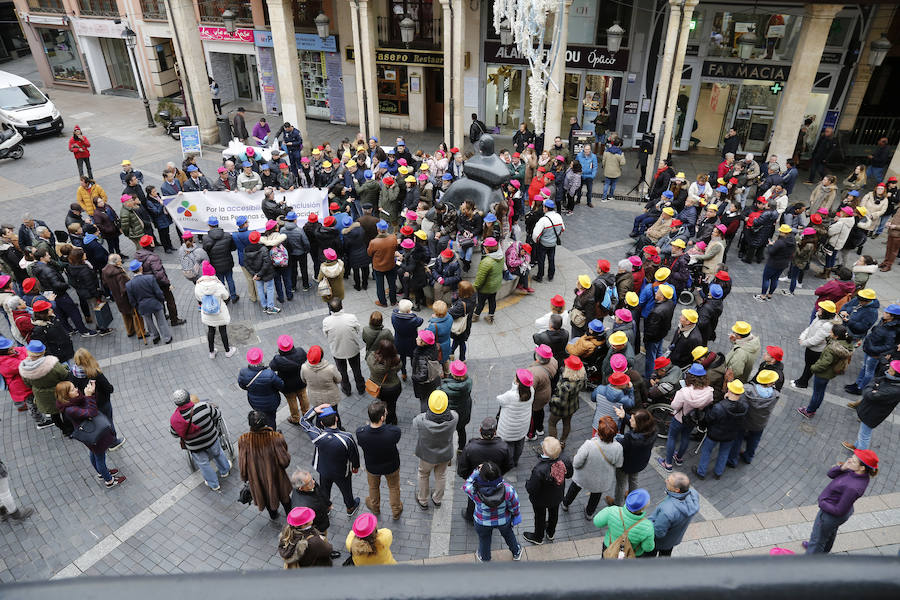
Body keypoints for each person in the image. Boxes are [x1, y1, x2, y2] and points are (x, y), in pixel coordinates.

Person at [804, 449, 878, 554]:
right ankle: (819, 549)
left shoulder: (853, 487)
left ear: (862, 467)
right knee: (828, 535)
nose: (849, 459)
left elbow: (839, 511)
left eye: (853, 460)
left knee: (818, 538)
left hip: (830, 515)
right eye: (852, 457)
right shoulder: (856, 472)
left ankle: (812, 556)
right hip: (835, 513)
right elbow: (830, 474)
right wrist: (843, 468)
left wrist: (822, 502)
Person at [56, 380, 126, 488]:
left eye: (74, 387)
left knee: (94, 453)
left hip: (90, 432)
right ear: (66, 395)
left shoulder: (73, 400)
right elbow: (91, 412)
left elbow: (88, 404)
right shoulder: (69, 409)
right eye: (73, 389)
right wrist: (88, 396)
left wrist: (90, 393)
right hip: (91, 433)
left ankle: (101, 473)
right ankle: (109, 480)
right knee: (99, 456)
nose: (76, 390)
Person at [299, 404, 361, 516]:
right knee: (346, 490)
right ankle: (350, 507)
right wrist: (355, 466)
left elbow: (303, 421)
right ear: (336, 418)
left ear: (321, 423)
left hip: (323, 469)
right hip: (341, 472)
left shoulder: (317, 435)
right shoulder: (347, 437)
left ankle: (326, 507)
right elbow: (354, 454)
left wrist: (314, 410)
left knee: (324, 490)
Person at [169, 389, 230, 491]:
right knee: (218, 454)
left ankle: (214, 484)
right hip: (211, 440)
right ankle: (224, 471)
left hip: (195, 447)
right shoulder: (203, 406)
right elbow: (217, 415)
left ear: (176, 404)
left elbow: (175, 434)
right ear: (189, 398)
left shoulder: (175, 419)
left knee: (203, 464)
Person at [562, 415, 622, 519]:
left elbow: (576, 462)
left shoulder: (589, 445)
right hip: (602, 480)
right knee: (596, 495)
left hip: (583, 476)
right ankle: (589, 513)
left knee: (574, 488)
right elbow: (618, 464)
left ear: (599, 432)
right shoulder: (618, 447)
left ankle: (566, 504)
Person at [462, 461, 523, 562]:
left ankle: (485, 558)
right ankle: (516, 552)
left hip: (482, 522)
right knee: (509, 535)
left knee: (484, 539)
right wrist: (516, 515)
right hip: (503, 520)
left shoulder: (474, 490)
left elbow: (466, 484)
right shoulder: (508, 489)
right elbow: (515, 505)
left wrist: (476, 471)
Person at [457, 417, 514, 522]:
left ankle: (470, 516)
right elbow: (509, 465)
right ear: (495, 432)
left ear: (480, 431)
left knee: (473, 499)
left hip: (476, 481)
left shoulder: (470, 447)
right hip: (495, 480)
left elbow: (461, 470)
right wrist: (498, 474)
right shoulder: (503, 447)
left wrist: (470, 478)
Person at [238, 410, 292, 519]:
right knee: (285, 498)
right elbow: (284, 461)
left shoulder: (243, 440)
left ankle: (273, 515)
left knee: (266, 499)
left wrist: (245, 477)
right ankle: (291, 517)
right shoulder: (275, 437)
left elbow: (242, 464)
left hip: (257, 480)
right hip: (277, 477)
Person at [356, 400, 403, 519]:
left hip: (372, 466)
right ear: (382, 417)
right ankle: (396, 510)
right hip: (391, 465)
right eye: (385, 413)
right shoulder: (393, 432)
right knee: (393, 487)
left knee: (373, 487)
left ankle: (375, 506)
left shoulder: (361, 433)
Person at [693, 379, 748, 480]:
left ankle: (701, 472)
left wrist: (724, 400)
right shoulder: (744, 406)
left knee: (707, 451)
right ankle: (718, 472)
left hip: (714, 434)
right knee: (724, 452)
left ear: (729, 390)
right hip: (730, 435)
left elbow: (708, 418)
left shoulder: (719, 407)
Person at [798, 324, 854, 419]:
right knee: (821, 391)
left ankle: (809, 411)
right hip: (830, 373)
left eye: (831, 332)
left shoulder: (831, 349)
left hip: (823, 374)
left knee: (817, 393)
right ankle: (814, 408)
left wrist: (813, 368)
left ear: (836, 336)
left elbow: (824, 363)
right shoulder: (845, 343)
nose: (829, 333)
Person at [844, 360, 900, 451]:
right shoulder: (891, 380)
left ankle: (859, 459)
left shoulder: (894, 390)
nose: (888, 371)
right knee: (862, 433)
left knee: (864, 436)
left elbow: (869, 395)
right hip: (870, 410)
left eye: (891, 370)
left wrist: (873, 387)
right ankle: (856, 446)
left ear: (897, 375)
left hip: (873, 414)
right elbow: (875, 380)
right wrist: (874, 387)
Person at [845, 303, 900, 396]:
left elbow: (888, 346)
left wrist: (873, 348)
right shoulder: (884, 321)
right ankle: (857, 384)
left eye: (886, 312)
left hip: (874, 354)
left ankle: (861, 388)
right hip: (870, 350)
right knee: (864, 368)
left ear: (892, 316)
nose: (884, 313)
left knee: (869, 372)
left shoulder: (892, 329)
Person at [523, 436, 570, 545]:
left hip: (540, 500)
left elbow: (531, 488)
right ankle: (550, 533)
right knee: (554, 513)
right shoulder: (565, 460)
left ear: (545, 451)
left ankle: (538, 537)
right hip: (557, 495)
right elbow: (569, 474)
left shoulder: (539, 469)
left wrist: (527, 483)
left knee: (540, 516)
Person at [729, 370, 780, 466]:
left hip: (744, 420)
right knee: (755, 439)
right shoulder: (775, 395)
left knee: (738, 438)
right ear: (769, 383)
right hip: (760, 423)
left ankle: (732, 460)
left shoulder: (747, 389)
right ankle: (748, 457)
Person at [646, 472, 699, 557]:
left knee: (648, 559)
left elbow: (658, 532)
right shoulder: (693, 494)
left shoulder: (667, 510)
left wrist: (647, 523)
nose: (665, 480)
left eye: (668, 481)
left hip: (657, 542)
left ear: (677, 490)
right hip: (672, 539)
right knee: (666, 556)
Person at [592, 488, 655, 557]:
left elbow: (597, 522)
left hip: (609, 548)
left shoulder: (612, 511)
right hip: (631, 554)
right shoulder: (648, 526)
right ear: (643, 507)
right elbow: (647, 548)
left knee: (605, 566)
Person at [322, 298, 366, 396]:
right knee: (356, 369)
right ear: (342, 306)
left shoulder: (326, 321)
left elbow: (326, 335)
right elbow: (358, 329)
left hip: (337, 351)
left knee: (342, 372)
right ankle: (361, 388)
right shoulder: (351, 317)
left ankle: (346, 390)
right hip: (353, 349)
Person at [613, 408, 656, 506]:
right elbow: (637, 427)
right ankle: (632, 500)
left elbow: (620, 445)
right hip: (640, 463)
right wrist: (625, 417)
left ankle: (617, 505)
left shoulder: (631, 438)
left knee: (621, 484)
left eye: (632, 420)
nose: (630, 421)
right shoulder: (652, 431)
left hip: (625, 464)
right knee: (634, 480)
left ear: (639, 424)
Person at [194, 261, 235, 359]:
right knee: (223, 330)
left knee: (211, 330)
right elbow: (226, 296)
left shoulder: (198, 285)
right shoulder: (218, 285)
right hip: (219, 312)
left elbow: (199, 298)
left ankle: (211, 352)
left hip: (207, 312)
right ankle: (227, 351)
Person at [792, 301, 837, 389]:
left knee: (809, 367)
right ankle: (801, 380)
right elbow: (810, 328)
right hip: (810, 347)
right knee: (807, 365)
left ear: (826, 312)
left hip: (816, 350)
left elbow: (816, 340)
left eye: (821, 308)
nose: (818, 309)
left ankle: (803, 383)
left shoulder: (827, 325)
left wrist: (803, 342)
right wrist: (802, 336)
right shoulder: (819, 316)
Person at [125, 259, 172, 344]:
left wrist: (137, 307)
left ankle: (155, 336)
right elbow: (158, 292)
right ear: (140, 268)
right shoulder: (150, 278)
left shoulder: (129, 285)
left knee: (149, 323)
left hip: (142, 306)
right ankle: (166, 337)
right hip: (154, 303)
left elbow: (132, 300)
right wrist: (161, 300)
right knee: (161, 321)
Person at [496, 368, 534, 467]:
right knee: (519, 444)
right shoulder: (531, 391)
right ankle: (516, 461)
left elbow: (499, 399)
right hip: (522, 426)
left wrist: (513, 387)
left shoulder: (510, 395)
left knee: (509, 446)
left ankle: (510, 463)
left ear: (517, 381)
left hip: (509, 429)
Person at [546, 355, 586, 447]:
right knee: (567, 423)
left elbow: (561, 402)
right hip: (572, 407)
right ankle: (562, 442)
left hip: (560, 409)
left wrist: (551, 399)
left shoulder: (566, 385)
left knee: (552, 423)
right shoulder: (581, 378)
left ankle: (553, 445)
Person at [238, 347, 283, 428]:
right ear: (261, 359)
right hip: (271, 403)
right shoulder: (269, 373)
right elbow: (281, 385)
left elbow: (242, 385)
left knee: (259, 418)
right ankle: (271, 435)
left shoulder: (243, 372)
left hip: (254, 402)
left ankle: (260, 432)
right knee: (271, 419)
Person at [755, 224, 796, 302]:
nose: (779, 232)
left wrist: (770, 245)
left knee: (766, 279)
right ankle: (770, 294)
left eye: (781, 231)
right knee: (775, 279)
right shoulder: (792, 241)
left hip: (773, 263)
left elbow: (771, 252)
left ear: (784, 233)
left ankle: (763, 295)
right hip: (783, 263)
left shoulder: (780, 242)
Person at [202, 217, 238, 304]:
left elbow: (205, 252)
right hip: (228, 262)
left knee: (220, 281)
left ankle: (224, 298)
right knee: (230, 279)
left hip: (215, 265)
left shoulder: (206, 238)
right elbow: (233, 248)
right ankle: (233, 296)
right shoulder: (227, 235)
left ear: (209, 226)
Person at [300, 345, 342, 415]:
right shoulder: (330, 368)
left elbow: (304, 380)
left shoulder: (304, 368)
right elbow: (339, 379)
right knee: (335, 414)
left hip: (315, 398)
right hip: (331, 398)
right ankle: (337, 425)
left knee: (319, 414)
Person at [244, 231, 279, 314]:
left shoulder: (246, 250)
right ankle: (270, 307)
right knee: (270, 288)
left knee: (260, 289)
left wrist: (255, 274)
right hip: (266, 273)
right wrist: (260, 274)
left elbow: (246, 264)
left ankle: (264, 306)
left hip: (256, 274)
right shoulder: (263, 249)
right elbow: (267, 263)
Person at [442, 360, 473, 452]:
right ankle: (461, 448)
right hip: (463, 411)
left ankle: (448, 452)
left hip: (451, 415)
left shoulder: (445, 387)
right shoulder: (469, 382)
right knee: (461, 430)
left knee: (448, 434)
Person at [531, 200, 565, 283]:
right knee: (551, 259)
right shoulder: (558, 216)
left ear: (546, 208)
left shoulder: (543, 220)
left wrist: (536, 241)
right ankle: (551, 275)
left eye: (543, 207)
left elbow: (536, 235)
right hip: (553, 243)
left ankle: (540, 276)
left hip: (543, 244)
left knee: (541, 260)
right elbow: (562, 229)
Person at [449, 280, 477, 361]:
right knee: (460, 341)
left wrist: (454, 298)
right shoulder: (473, 295)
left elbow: (451, 313)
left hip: (460, 326)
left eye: (459, 289)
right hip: (467, 324)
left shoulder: (461, 305)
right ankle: (460, 358)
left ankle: (456, 356)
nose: (458, 290)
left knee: (459, 341)